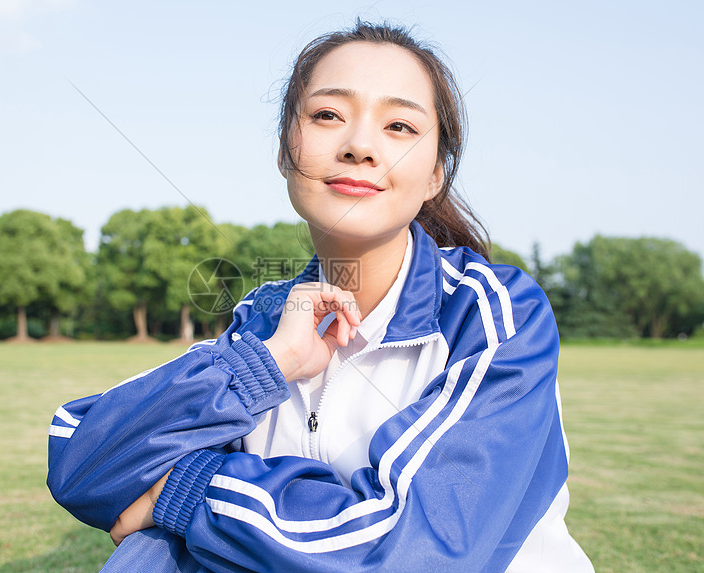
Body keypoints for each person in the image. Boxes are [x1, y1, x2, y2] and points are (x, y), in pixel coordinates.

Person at [47, 21, 594, 572]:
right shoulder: (263, 320)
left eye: (400, 125)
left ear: (435, 174)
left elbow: (418, 553)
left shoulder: (493, 313)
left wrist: (187, 490)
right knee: (155, 555)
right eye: (328, 115)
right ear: (286, 151)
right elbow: (80, 453)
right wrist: (269, 362)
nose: (360, 146)